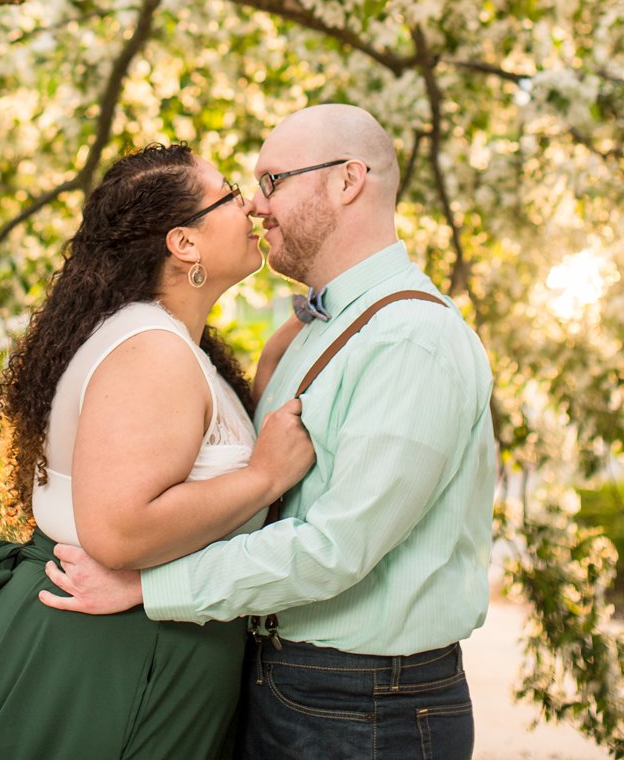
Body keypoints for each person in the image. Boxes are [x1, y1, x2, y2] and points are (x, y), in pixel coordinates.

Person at [42, 104, 496, 760]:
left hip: (366, 705)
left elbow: (334, 548)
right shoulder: (315, 331)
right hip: (296, 683)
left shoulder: (412, 342)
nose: (254, 205)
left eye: (272, 181)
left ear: (347, 181)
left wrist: (150, 589)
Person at [0, 143, 314, 760]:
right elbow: (118, 533)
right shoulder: (152, 350)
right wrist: (264, 477)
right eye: (227, 193)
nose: (250, 203)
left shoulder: (160, 339)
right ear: (183, 243)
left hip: (122, 650)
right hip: (103, 661)